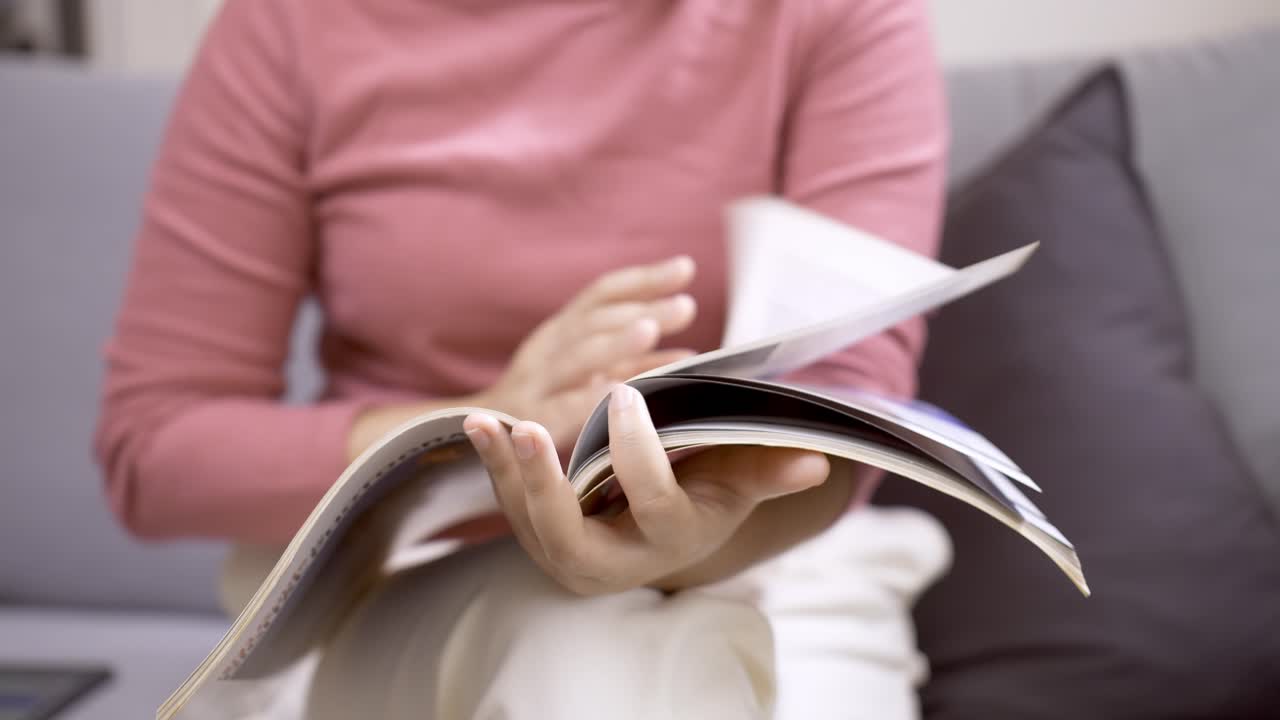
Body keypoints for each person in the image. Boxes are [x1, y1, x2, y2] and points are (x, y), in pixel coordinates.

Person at [95, 0, 950, 717]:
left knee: (595, 650)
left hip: (778, 562)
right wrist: (489, 417)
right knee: (584, 649)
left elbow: (847, 408)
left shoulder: (834, 15)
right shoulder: (293, 24)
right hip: (395, 586)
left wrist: (694, 536)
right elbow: (155, 446)